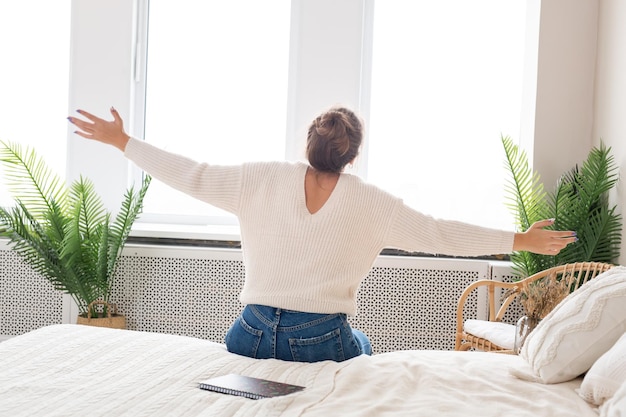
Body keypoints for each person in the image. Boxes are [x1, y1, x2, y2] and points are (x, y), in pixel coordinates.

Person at [68, 106, 577, 363]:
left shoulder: (259, 177)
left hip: (248, 331)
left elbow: (191, 173)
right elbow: (438, 233)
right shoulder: (372, 201)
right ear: (352, 156)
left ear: (308, 143)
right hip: (318, 337)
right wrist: (520, 239)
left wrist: (123, 142)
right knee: (366, 348)